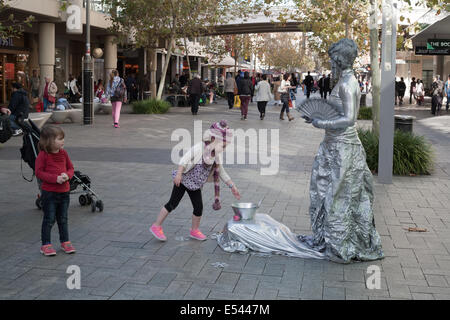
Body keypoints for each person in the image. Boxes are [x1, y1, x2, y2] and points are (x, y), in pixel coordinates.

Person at [299, 38, 384, 263]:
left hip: (343, 148)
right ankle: (332, 239)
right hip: (333, 146)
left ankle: (341, 243)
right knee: (328, 193)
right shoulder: (344, 80)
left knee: (339, 195)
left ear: (339, 59)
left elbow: (349, 118)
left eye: (332, 60)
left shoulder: (348, 84)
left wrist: (320, 123)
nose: (330, 64)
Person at [149, 120, 241, 242]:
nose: (224, 148)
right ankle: (156, 226)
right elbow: (184, 159)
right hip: (183, 180)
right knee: (172, 203)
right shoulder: (200, 148)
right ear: (214, 139)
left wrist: (232, 186)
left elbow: (222, 173)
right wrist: (179, 174)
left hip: (195, 185)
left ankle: (194, 230)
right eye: (223, 145)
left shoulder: (215, 156)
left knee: (198, 207)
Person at [35, 125, 76, 256]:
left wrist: (67, 175)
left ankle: (65, 241)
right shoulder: (43, 155)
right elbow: (39, 172)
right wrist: (55, 178)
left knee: (63, 218)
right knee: (49, 219)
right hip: (50, 193)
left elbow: (71, 168)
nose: (62, 141)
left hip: (64, 192)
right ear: (49, 141)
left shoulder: (64, 153)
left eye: (63, 138)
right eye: (59, 139)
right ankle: (46, 244)